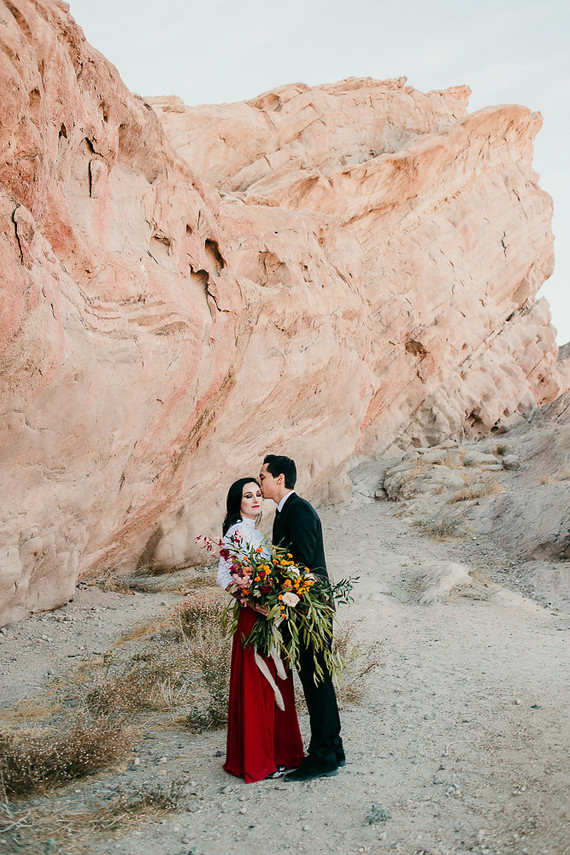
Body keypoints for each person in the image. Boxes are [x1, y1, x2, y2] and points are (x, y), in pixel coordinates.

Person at [259, 454, 345, 782]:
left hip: (311, 611)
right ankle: (333, 750)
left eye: (264, 477)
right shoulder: (285, 513)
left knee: (316, 680)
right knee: (316, 680)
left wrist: (275, 594)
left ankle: (323, 756)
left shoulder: (300, 511)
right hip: (302, 609)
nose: (261, 482)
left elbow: (302, 567)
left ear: (280, 479)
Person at [217, 477, 304, 783]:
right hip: (254, 618)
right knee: (259, 685)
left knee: (273, 682)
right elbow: (224, 576)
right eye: (247, 496)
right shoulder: (238, 532)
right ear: (236, 502)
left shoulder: (251, 532)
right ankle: (259, 761)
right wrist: (251, 602)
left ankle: (276, 753)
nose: (255, 499)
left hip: (265, 614)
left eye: (257, 494)